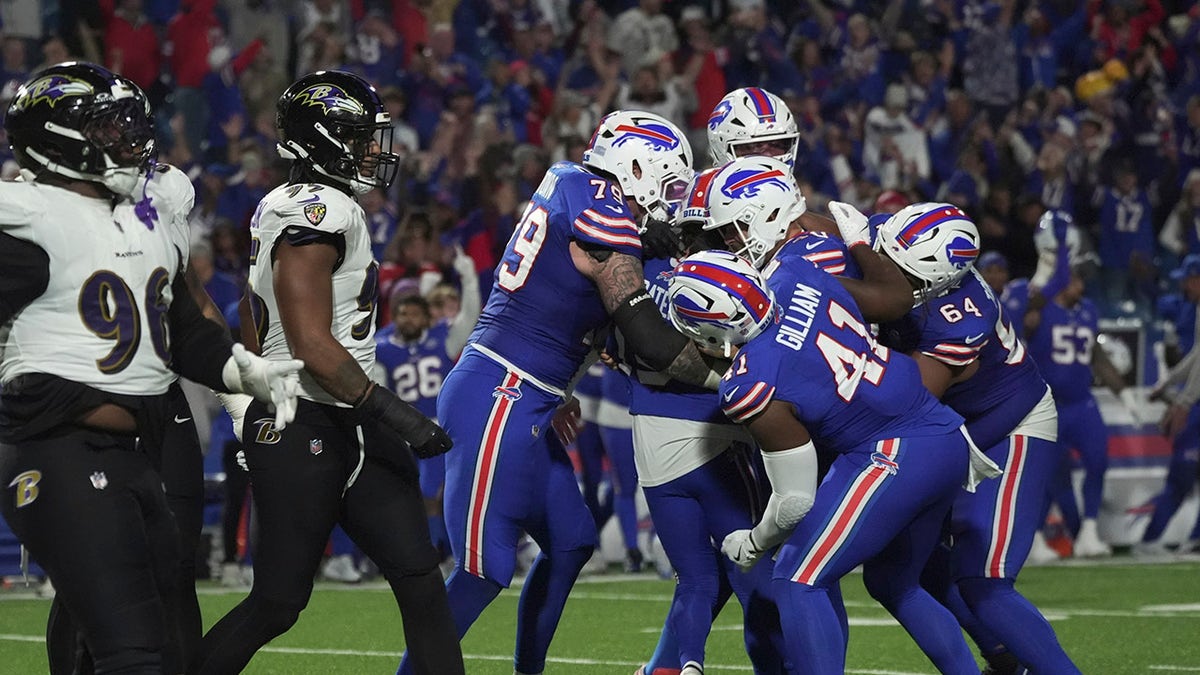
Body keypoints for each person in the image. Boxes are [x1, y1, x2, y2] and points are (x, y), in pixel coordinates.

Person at [397, 110, 729, 675]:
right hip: (499, 389)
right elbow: (644, 332)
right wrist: (730, 379)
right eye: (667, 181)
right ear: (636, 167)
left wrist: (560, 386)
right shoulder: (597, 201)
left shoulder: (574, 184)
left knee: (573, 541)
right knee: (483, 569)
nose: (669, 197)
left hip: (530, 394)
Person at [0, 62, 301, 675]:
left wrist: (246, 375)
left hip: (139, 447)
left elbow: (184, 329)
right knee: (132, 649)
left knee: (162, 637)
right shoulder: (25, 214)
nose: (131, 136)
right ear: (60, 137)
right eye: (108, 125)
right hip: (59, 450)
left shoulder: (145, 207)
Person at [192, 70, 465, 675]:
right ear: (321, 138)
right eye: (360, 135)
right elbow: (313, 345)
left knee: (421, 579)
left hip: (346, 415)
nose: (375, 149)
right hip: (307, 415)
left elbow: (249, 308)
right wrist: (398, 414)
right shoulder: (320, 210)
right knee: (278, 602)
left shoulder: (289, 205)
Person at [668, 250, 985, 674]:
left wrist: (753, 542)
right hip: (946, 434)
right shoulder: (796, 273)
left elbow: (794, 501)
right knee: (895, 582)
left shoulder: (752, 380)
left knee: (796, 578)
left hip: (894, 454)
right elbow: (886, 302)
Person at [873, 202, 1081, 673]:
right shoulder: (894, 241)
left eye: (898, 268)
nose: (885, 271)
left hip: (1007, 425)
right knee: (903, 562)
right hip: (952, 428)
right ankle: (1005, 657)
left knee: (985, 580)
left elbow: (907, 401)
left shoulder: (957, 315)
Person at [1004, 210, 1131, 558]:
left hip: (1081, 403)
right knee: (1047, 475)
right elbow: (1026, 317)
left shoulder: (1087, 310)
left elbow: (1097, 358)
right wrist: (1057, 255)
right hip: (1047, 405)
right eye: (1076, 278)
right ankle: (1036, 536)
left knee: (1097, 461)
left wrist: (1125, 394)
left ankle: (1088, 530)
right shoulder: (1036, 306)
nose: (1081, 284)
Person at [375, 249, 481, 564]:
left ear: (426, 317)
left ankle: (440, 553)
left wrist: (469, 278)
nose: (409, 319)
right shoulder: (382, 347)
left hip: (438, 428)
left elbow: (470, 317)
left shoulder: (441, 338)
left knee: (437, 494)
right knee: (414, 497)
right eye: (403, 314)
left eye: (415, 314)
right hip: (401, 430)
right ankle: (429, 552)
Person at [1140, 254, 1200, 555]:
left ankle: (1153, 540)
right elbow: (1197, 356)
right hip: (1195, 401)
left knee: (1182, 472)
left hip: (1196, 405)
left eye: (1189, 280)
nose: (1185, 286)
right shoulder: (1196, 308)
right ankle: (1155, 539)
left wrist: (1184, 403)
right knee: (1183, 472)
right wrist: (1167, 383)